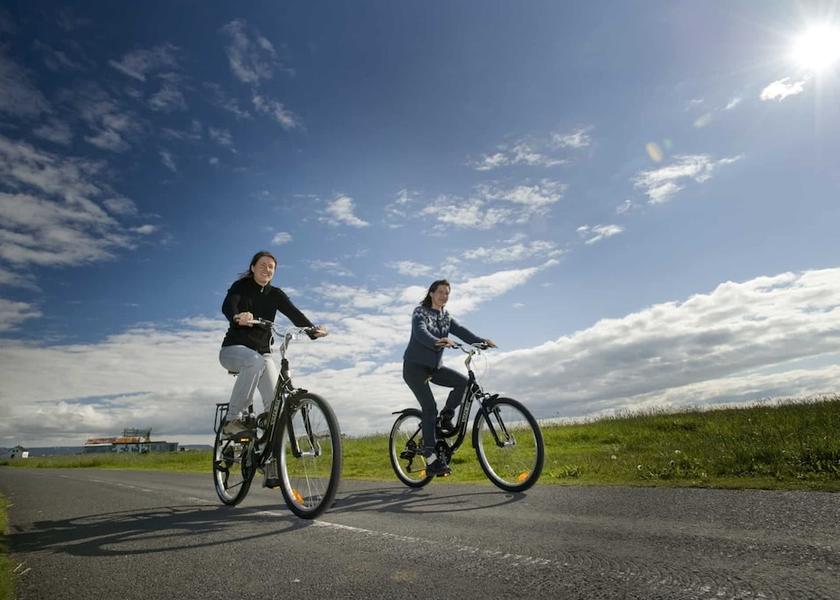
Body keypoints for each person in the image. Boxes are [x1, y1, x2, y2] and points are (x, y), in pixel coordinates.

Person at [219, 250, 327, 438]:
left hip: (263, 353)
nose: (267, 269)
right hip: (233, 350)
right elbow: (229, 305)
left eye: (271, 267)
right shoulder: (241, 286)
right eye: (262, 265)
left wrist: (312, 330)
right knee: (254, 361)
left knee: (275, 406)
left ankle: (268, 458)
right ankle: (232, 420)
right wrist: (237, 316)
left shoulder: (275, 294)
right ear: (253, 268)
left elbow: (294, 313)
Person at [402, 279, 496, 477]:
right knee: (429, 408)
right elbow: (420, 332)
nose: (444, 296)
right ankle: (430, 457)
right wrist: (438, 341)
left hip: (434, 368)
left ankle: (445, 418)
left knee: (463, 382)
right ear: (431, 293)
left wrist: (481, 341)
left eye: (447, 293)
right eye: (441, 292)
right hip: (414, 368)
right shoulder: (420, 311)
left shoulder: (446, 317)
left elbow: (461, 331)